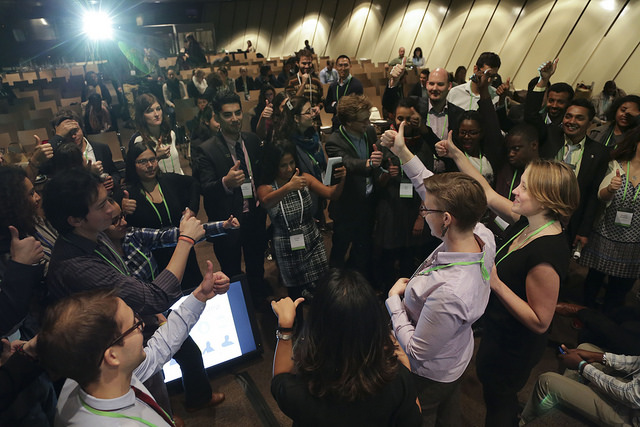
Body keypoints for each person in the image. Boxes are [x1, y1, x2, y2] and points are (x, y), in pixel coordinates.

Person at [435, 132, 580, 426]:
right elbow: (486, 193)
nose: (515, 191)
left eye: (524, 187)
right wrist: (455, 154)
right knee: (493, 389)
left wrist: (496, 281)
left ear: (545, 198)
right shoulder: (530, 222)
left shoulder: (547, 251)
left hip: (515, 347)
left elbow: (540, 321)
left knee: (499, 400)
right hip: (499, 331)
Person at [380, 120, 496, 425]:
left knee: (422, 415)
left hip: (429, 373)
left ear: (446, 219)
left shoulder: (449, 291)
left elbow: (418, 352)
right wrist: (402, 151)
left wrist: (393, 302)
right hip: (455, 355)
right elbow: (429, 185)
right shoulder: (481, 233)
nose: (422, 212)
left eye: (426, 210)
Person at [38, 272, 229, 426]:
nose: (142, 325)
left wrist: (200, 296)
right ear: (112, 356)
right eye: (133, 325)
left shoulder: (82, 376)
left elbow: (160, 347)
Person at [270, 269, 422, 427]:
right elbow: (414, 420)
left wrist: (285, 328)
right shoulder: (398, 381)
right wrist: (406, 367)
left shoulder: (300, 392)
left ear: (316, 326)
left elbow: (279, 380)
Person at [191, 91, 269, 306]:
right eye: (227, 115)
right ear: (217, 117)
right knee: (231, 268)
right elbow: (205, 188)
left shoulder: (252, 140)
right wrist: (225, 182)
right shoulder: (205, 149)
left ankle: (258, 299)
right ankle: (240, 306)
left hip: (254, 214)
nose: (234, 119)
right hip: (228, 220)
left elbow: (261, 176)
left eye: (237, 113)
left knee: (256, 262)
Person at [257, 142, 345, 299]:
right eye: (283, 165)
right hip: (286, 243)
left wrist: (342, 179)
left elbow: (332, 194)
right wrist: (288, 187)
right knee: (294, 292)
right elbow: (265, 201)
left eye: (291, 163)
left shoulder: (304, 179)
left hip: (312, 239)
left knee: (321, 287)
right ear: (274, 165)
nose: (289, 169)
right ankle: (297, 320)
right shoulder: (268, 187)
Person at [122, 141, 201, 290]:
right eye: (142, 162)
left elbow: (193, 184)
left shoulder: (168, 180)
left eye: (152, 159)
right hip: (154, 261)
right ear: (133, 165)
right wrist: (122, 209)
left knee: (195, 293)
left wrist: (192, 209)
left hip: (183, 250)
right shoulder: (128, 194)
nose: (150, 165)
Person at [579, 126, 640, 312]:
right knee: (594, 280)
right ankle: (585, 315)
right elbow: (601, 196)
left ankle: (607, 321)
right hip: (605, 233)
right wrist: (611, 189)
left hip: (634, 241)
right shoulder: (616, 165)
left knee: (620, 288)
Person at [325, 95, 383, 278]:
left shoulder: (370, 132)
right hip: (347, 206)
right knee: (340, 250)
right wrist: (369, 164)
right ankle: (334, 288)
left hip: (368, 202)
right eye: (363, 120)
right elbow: (348, 163)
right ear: (349, 122)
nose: (368, 123)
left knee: (363, 248)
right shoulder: (334, 141)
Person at [521, 343, 640, 426]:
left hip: (631, 416)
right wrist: (599, 357)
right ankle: (560, 403)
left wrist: (582, 367)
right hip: (634, 391)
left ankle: (525, 422)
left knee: (546, 382)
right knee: (584, 347)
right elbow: (636, 363)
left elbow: (630, 395)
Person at [0, 167, 45, 337]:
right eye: (31, 193)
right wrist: (20, 266)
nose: (37, 198)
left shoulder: (26, 228)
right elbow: (4, 321)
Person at [275, 96, 327, 220]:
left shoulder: (313, 136)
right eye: (308, 112)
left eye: (312, 110)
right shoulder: (286, 144)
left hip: (317, 194)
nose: (313, 114)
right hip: (298, 203)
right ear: (296, 118)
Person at [131, 93, 184, 175]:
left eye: (158, 109)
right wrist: (156, 157)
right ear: (142, 116)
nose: (156, 114)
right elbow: (138, 174)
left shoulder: (170, 134)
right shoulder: (139, 140)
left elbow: (177, 165)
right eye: (150, 111)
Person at [324, 55, 364, 131]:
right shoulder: (333, 86)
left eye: (346, 65)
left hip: (351, 126)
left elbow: (355, 108)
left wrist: (335, 104)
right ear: (336, 67)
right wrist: (342, 106)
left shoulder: (357, 85)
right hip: (336, 126)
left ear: (350, 66)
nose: (343, 68)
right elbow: (327, 108)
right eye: (340, 65)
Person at [286, 49, 324, 119]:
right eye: (304, 63)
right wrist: (303, 83)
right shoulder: (291, 81)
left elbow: (322, 100)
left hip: (314, 121)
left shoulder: (316, 81)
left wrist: (318, 107)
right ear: (297, 63)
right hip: (298, 123)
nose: (307, 66)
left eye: (309, 63)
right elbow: (293, 102)